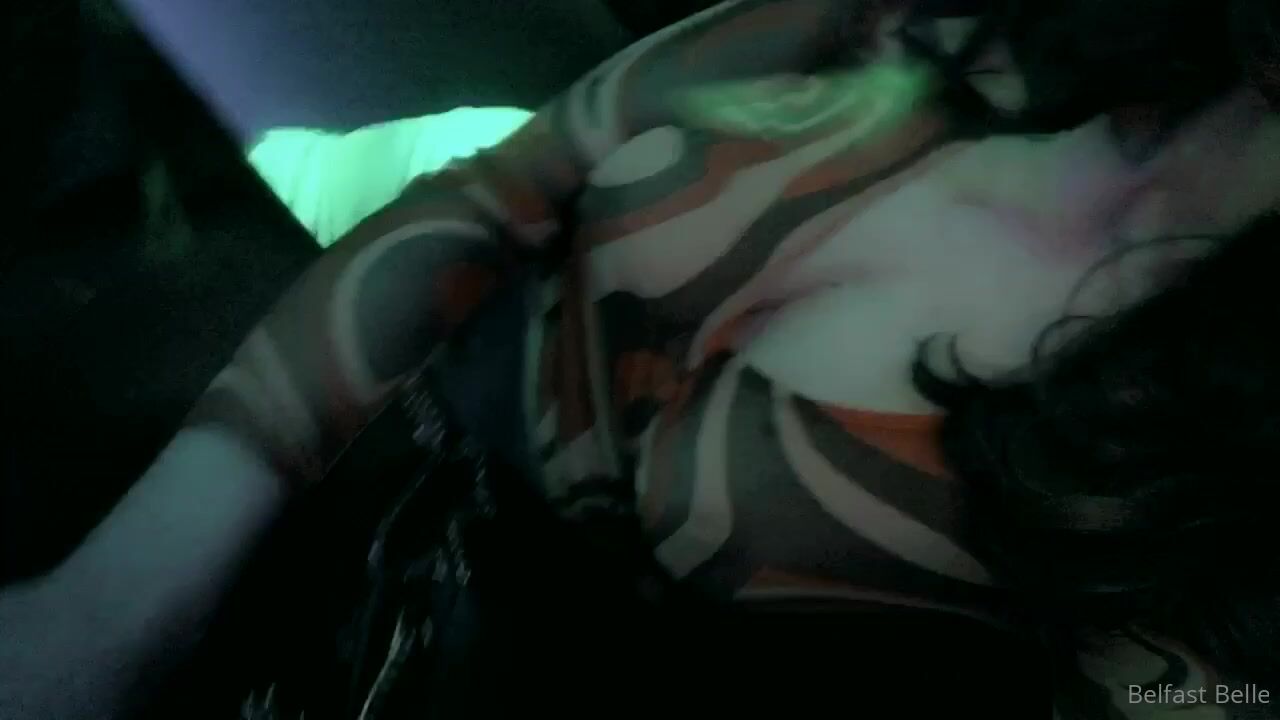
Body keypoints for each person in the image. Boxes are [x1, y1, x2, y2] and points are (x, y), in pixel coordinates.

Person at [3, 0, 1280, 718]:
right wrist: (122, 595)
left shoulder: (1223, 464)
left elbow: (1191, 695)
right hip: (320, 519)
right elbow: (509, 186)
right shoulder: (933, 23)